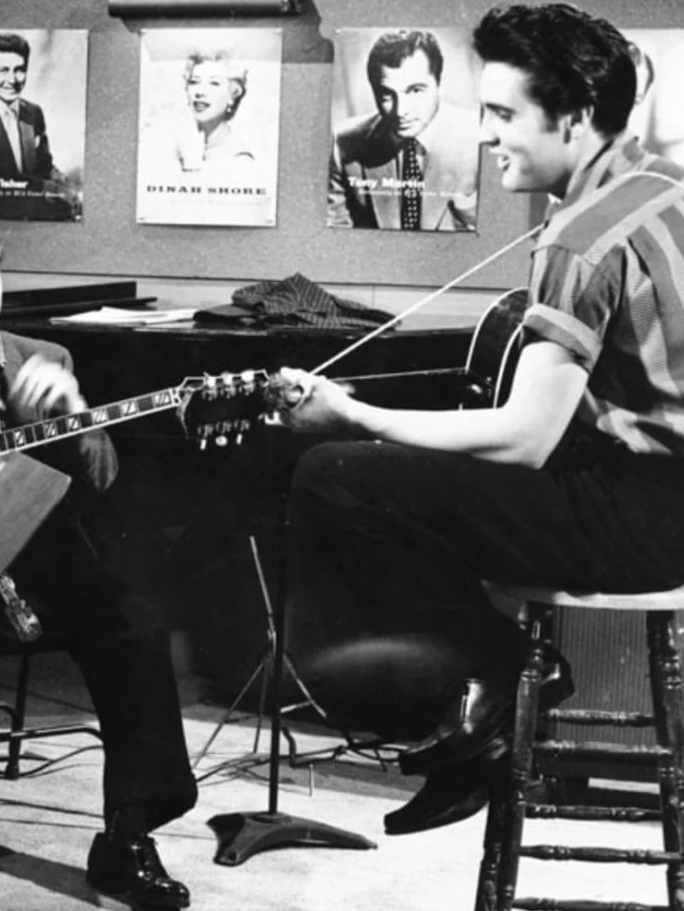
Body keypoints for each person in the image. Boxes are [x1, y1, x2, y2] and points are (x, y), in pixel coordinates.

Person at [276, 2, 684, 837]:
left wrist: (353, 414)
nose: (488, 133)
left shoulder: (579, 236)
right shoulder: (667, 193)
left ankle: (492, 687)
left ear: (571, 116)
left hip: (646, 512)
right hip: (665, 498)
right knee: (403, 474)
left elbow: (524, 437)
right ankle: (484, 706)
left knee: (332, 477)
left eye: (503, 114)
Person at [0, 265, 197, 906]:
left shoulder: (42, 359)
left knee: (131, 618)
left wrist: (74, 416)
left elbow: (102, 477)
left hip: (24, 562)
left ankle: (127, 836)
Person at [327, 28, 481, 231]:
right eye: (386, 94)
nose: (401, 111)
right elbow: (336, 233)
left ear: (440, 84)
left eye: (415, 90)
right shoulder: (344, 141)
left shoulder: (481, 137)